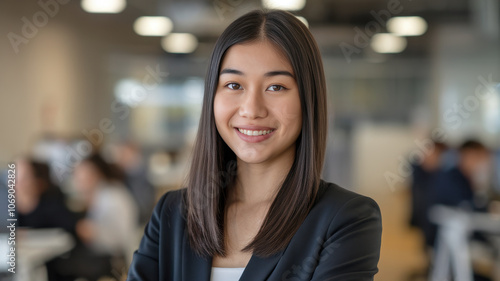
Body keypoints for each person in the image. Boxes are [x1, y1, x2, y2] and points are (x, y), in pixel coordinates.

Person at [128, 9, 382, 281]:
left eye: (276, 87)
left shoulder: (346, 219)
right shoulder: (173, 214)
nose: (251, 109)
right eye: (234, 84)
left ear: (308, 99)